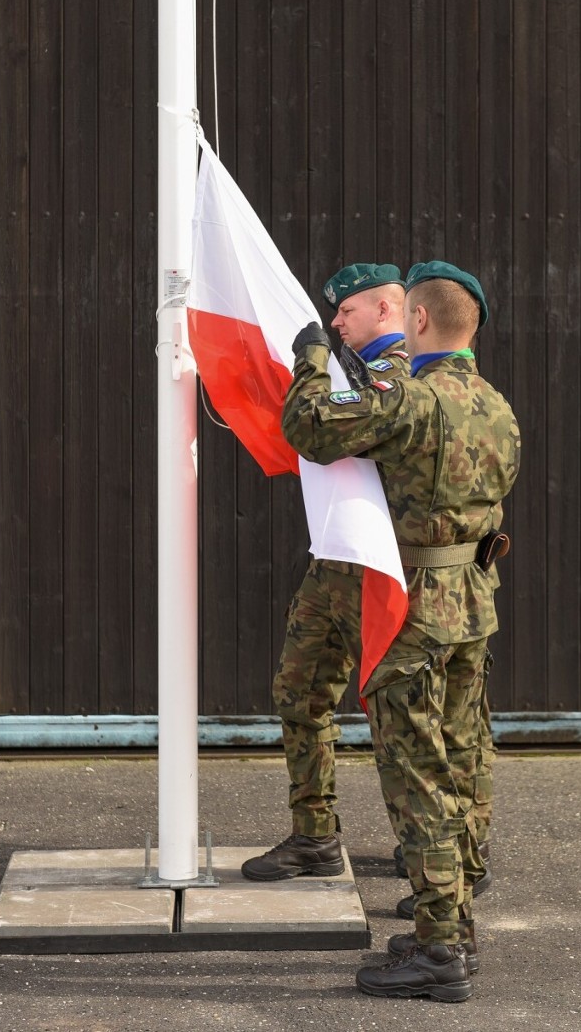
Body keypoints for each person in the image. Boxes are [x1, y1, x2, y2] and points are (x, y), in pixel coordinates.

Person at [281, 261, 520, 1003]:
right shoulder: (498, 408)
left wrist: (311, 357)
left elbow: (309, 428)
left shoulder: (413, 402)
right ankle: (454, 924)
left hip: (414, 612)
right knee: (454, 763)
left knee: (415, 777)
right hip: (472, 604)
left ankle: (439, 949)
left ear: (416, 321)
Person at [240, 264, 409, 882]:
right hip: (335, 560)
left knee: (404, 714)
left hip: (380, 567)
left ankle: (443, 849)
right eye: (332, 316)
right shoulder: (360, 373)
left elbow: (315, 429)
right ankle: (314, 835)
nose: (335, 324)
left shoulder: (399, 375)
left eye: (346, 312)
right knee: (300, 692)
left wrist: (310, 357)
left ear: (386, 310)